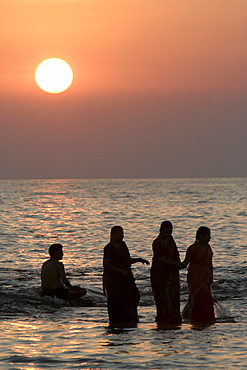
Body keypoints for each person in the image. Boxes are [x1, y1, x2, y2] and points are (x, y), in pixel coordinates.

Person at [103, 226, 150, 325]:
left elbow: (127, 260)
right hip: (114, 280)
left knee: (134, 296)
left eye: (122, 233)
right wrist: (120, 271)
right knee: (116, 300)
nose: (122, 236)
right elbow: (106, 264)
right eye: (120, 234)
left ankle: (130, 318)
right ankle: (117, 321)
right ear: (113, 235)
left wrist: (138, 260)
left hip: (126, 277)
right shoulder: (109, 247)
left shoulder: (123, 245)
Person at [181, 226, 215, 323]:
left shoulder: (208, 247)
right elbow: (185, 263)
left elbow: (210, 263)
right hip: (195, 277)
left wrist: (211, 275)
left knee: (207, 298)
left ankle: (206, 319)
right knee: (198, 297)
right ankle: (196, 318)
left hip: (206, 276)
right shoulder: (193, 248)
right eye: (207, 235)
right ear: (201, 236)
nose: (209, 238)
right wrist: (174, 265)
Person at [150, 221, 182, 324]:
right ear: (160, 231)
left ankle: (173, 320)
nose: (167, 235)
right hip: (160, 275)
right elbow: (161, 260)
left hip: (172, 275)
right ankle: (163, 320)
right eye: (165, 233)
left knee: (174, 298)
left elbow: (176, 255)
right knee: (163, 299)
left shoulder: (171, 241)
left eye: (169, 233)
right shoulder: (157, 243)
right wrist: (176, 264)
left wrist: (180, 263)